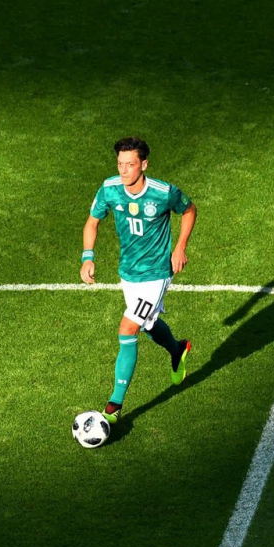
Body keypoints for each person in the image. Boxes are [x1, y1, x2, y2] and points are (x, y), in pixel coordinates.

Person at [80, 137, 197, 425]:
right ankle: (178, 349)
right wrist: (87, 257)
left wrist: (180, 247)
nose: (123, 170)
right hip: (128, 272)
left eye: (130, 164)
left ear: (144, 164)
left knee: (127, 327)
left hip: (156, 274)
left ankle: (114, 406)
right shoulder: (109, 189)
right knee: (148, 325)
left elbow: (189, 210)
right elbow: (92, 222)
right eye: (120, 164)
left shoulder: (163, 192)